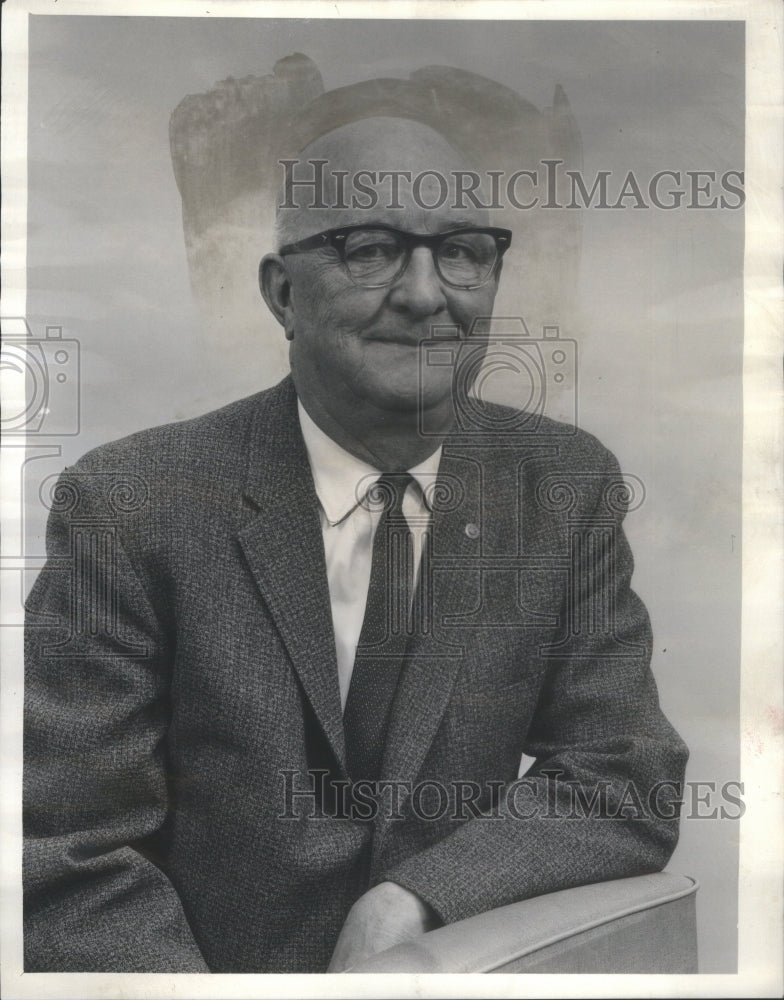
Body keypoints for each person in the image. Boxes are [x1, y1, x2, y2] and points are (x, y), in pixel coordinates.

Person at [23, 116, 688, 974]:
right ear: (282, 294)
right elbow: (70, 850)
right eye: (370, 250)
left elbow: (625, 774)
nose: (425, 294)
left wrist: (417, 899)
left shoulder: (562, 486)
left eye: (463, 251)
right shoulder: (129, 504)